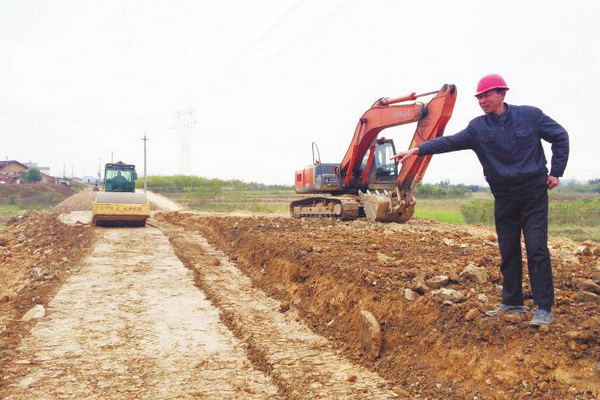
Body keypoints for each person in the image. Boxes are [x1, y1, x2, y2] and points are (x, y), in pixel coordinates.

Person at [393, 74, 569, 326]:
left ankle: (543, 307)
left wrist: (556, 172)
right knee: (508, 249)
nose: (482, 100)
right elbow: (449, 142)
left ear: (502, 94)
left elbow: (560, 136)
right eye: (479, 97)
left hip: (532, 193)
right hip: (504, 196)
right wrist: (416, 150)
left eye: (486, 95)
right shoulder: (478, 128)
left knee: (536, 247)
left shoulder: (530, 116)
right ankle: (512, 302)